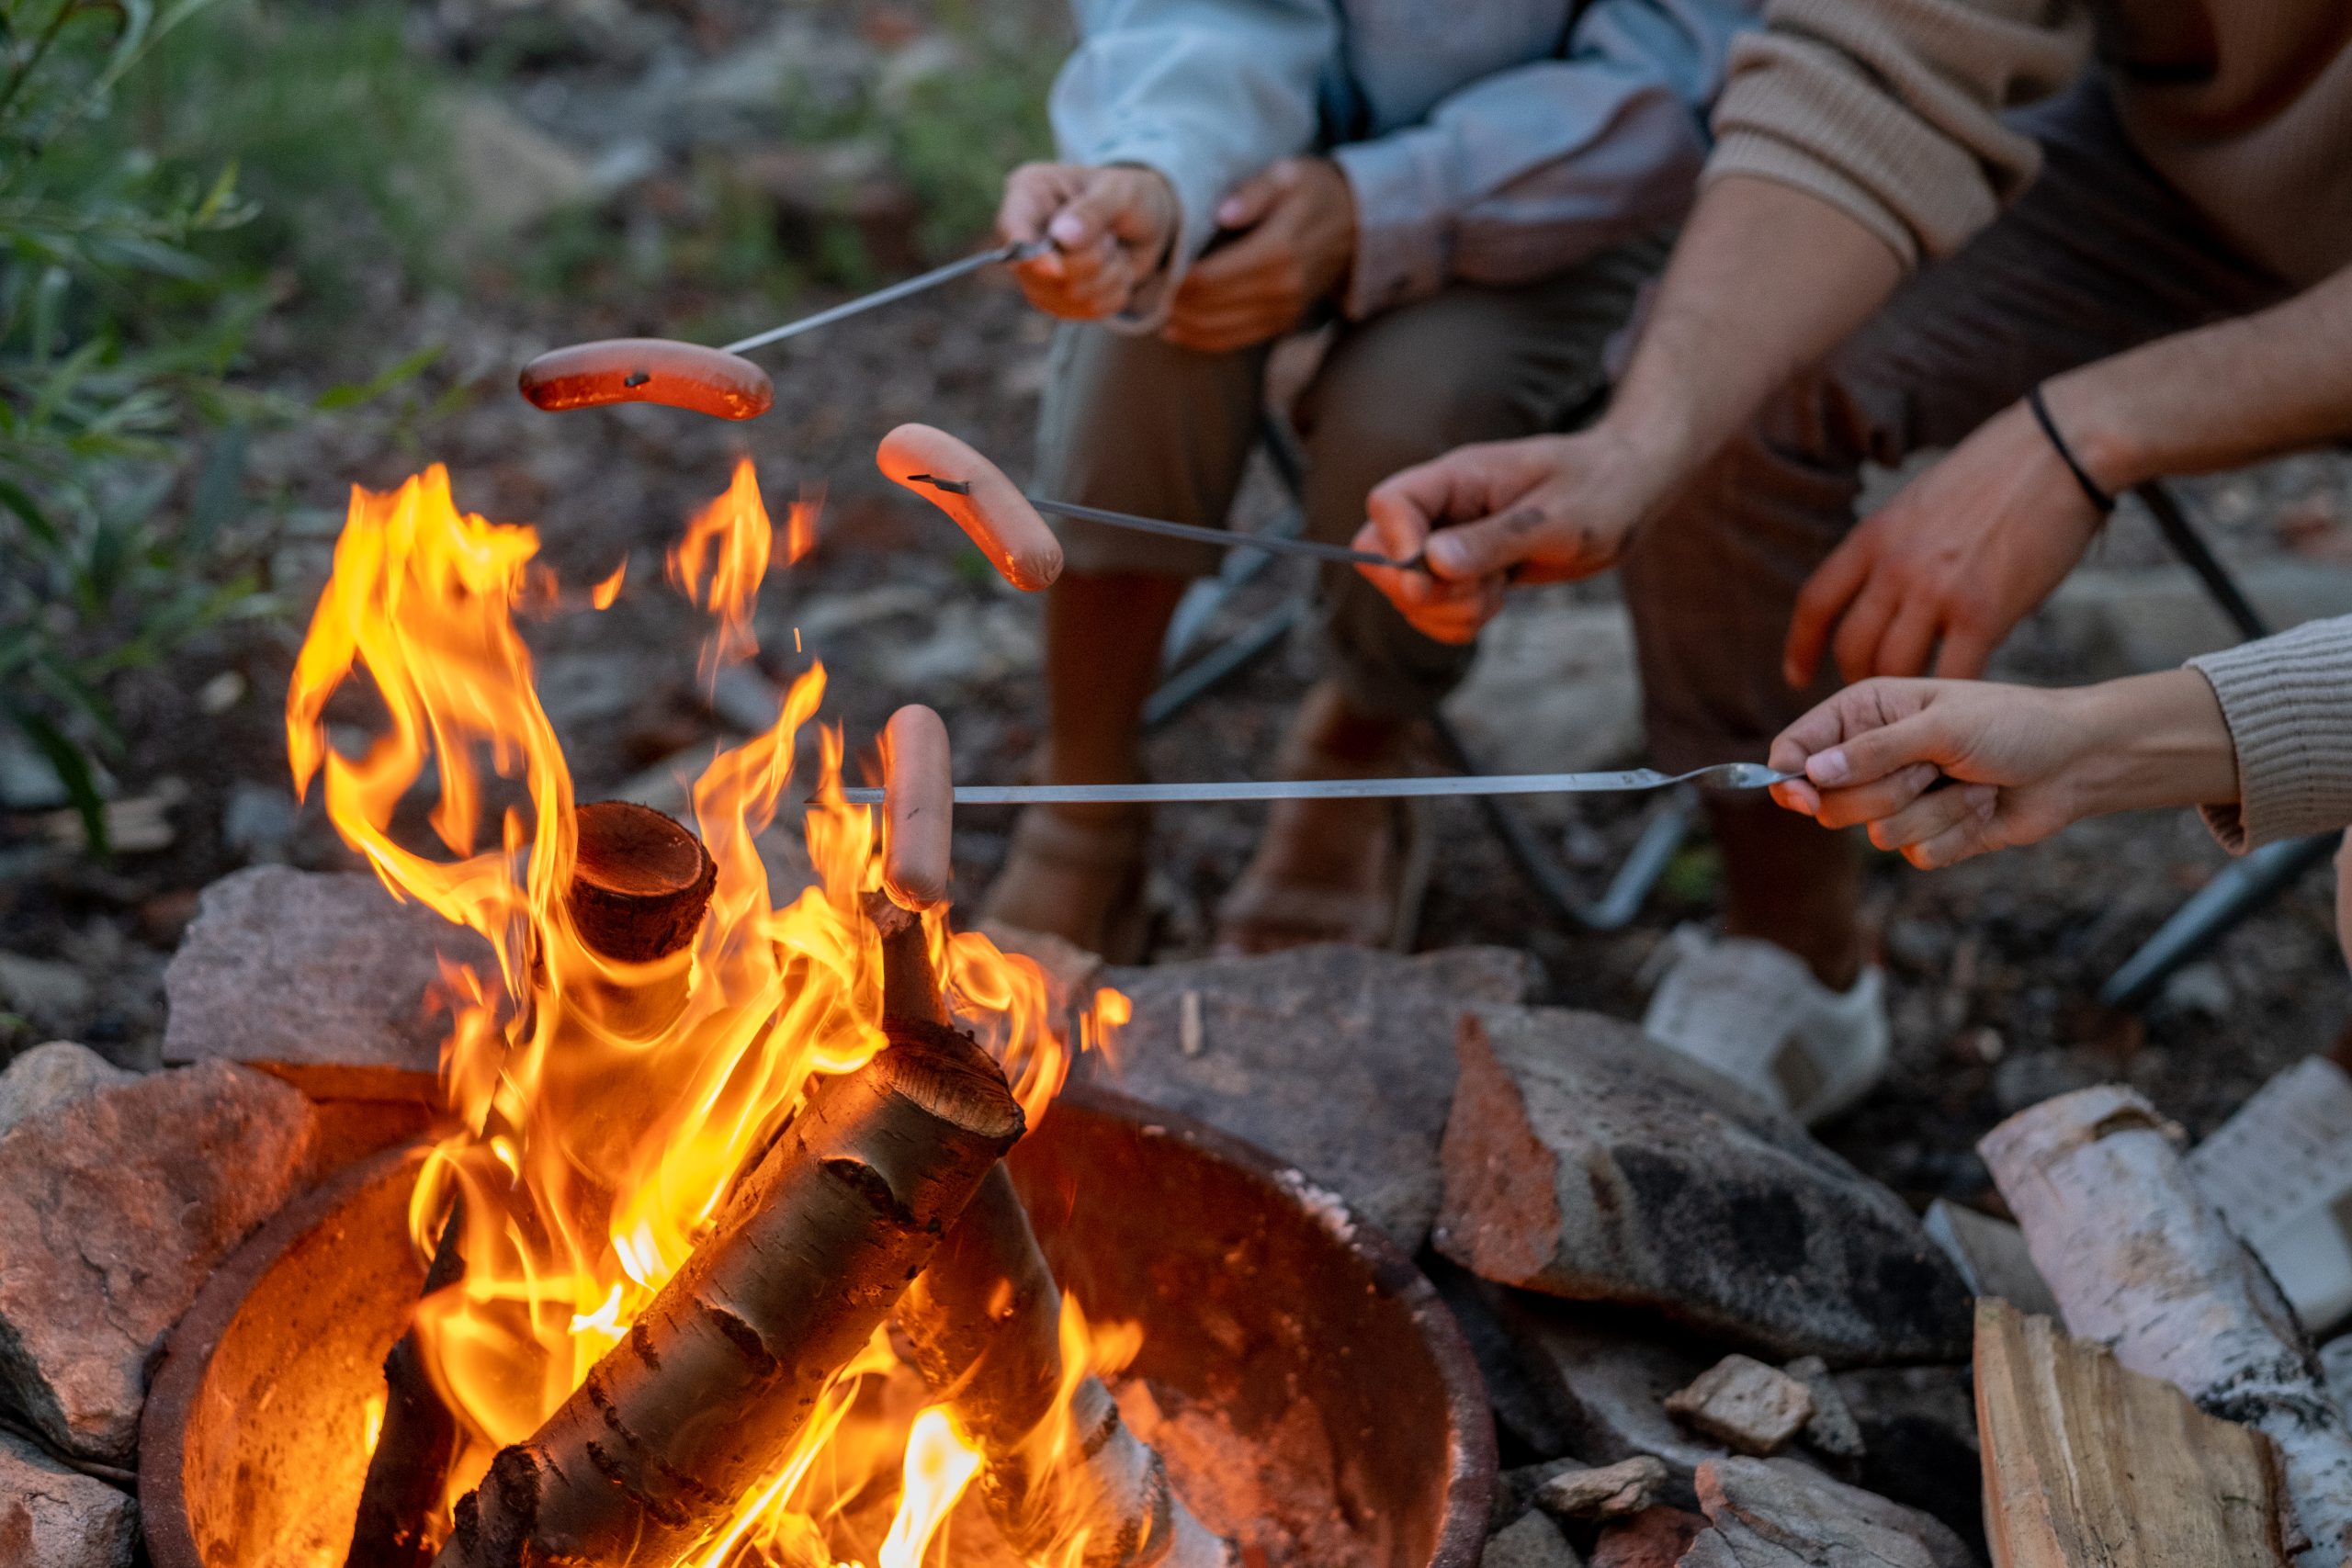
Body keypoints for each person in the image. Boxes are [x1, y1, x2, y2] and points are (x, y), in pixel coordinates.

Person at [1350, 0, 2352, 1123]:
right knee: (1732, 393)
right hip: (2166, 180)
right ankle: (1795, 952)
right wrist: (1637, 444)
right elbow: (1877, 59)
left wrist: (2086, 432)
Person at [978, 0, 1757, 962]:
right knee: (1147, 325)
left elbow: (1677, 65)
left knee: (1408, 414)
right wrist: (1160, 169)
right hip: (1259, 139)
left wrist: (1373, 208)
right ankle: (1082, 791)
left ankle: (1358, 742)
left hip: (1580, 187)